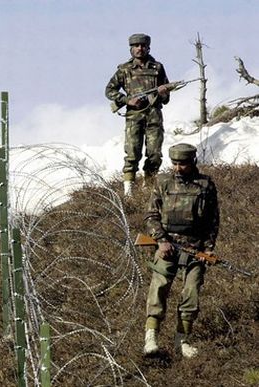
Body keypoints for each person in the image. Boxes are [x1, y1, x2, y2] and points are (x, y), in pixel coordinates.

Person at [142, 143, 220, 358]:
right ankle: (151, 338)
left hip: (195, 249)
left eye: (182, 164)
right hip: (167, 246)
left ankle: (182, 340)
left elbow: (213, 221)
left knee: (191, 293)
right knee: (158, 288)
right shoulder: (163, 183)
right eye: (174, 163)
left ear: (192, 162)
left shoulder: (206, 185)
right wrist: (161, 240)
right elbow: (151, 215)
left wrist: (208, 249)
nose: (178, 168)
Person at [105, 33, 172, 196]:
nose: (139, 49)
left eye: (143, 46)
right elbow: (109, 90)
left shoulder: (157, 68)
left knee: (154, 154)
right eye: (136, 46)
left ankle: (148, 188)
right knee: (132, 153)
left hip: (154, 116)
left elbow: (166, 98)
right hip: (134, 117)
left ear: (148, 47)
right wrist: (127, 100)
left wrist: (163, 92)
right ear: (131, 49)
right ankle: (129, 192)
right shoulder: (124, 69)